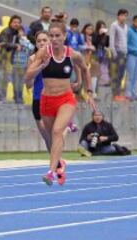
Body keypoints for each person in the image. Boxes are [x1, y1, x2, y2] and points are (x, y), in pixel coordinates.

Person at [25, 22, 96, 186]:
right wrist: (40, 67)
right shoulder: (43, 53)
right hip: (46, 100)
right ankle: (59, 164)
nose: (54, 39)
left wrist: (88, 91)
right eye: (52, 36)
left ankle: (50, 172)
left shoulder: (72, 54)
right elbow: (27, 77)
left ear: (64, 36)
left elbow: (85, 69)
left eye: (58, 36)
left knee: (57, 132)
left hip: (65, 99)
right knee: (51, 136)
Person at [0, 15, 22, 102]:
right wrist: (16, 46)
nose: (16, 24)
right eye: (15, 22)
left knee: (6, 78)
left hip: (8, 59)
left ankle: (3, 97)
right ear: (10, 23)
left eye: (18, 22)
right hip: (1, 58)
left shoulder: (16, 33)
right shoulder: (6, 31)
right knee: (2, 78)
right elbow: (4, 44)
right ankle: (0, 97)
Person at [109, 9, 128, 101]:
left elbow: (125, 40)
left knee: (121, 74)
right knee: (115, 75)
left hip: (124, 53)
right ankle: (114, 94)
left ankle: (118, 94)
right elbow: (111, 41)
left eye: (125, 15)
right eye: (122, 15)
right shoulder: (114, 25)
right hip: (116, 53)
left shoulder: (126, 26)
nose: (124, 17)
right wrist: (114, 53)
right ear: (118, 16)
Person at [125, 15, 137, 101]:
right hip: (131, 55)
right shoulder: (129, 31)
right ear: (133, 21)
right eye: (136, 21)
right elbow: (126, 44)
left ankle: (134, 93)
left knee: (136, 76)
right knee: (130, 75)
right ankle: (128, 93)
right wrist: (133, 50)